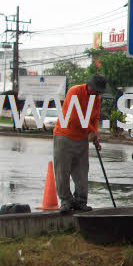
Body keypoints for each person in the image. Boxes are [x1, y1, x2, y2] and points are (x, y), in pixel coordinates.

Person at [53, 74, 107, 213]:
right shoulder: (75, 91)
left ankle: (80, 201)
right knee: (62, 171)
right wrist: (91, 130)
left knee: (82, 171)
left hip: (82, 138)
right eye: (95, 90)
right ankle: (66, 201)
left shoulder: (96, 98)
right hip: (64, 135)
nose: (97, 93)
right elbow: (75, 116)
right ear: (89, 86)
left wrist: (95, 135)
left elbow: (95, 118)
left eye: (99, 92)